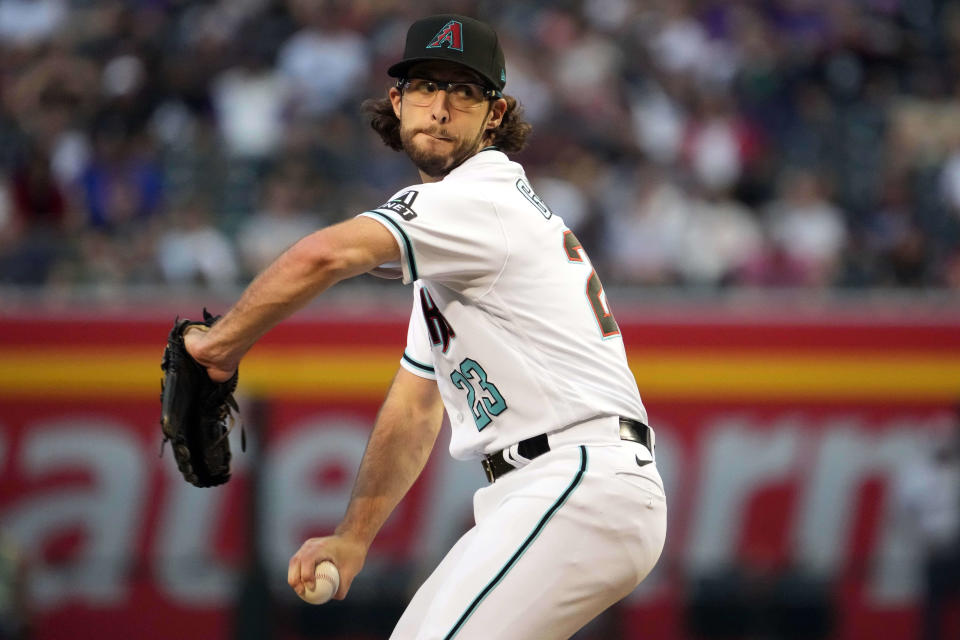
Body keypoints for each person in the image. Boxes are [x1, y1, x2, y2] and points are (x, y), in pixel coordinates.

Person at [184, 14, 666, 639]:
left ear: (495, 115)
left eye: (464, 92)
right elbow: (416, 406)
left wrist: (215, 347)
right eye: (425, 87)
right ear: (397, 100)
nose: (440, 107)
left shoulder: (475, 198)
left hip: (579, 481)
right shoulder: (449, 248)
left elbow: (323, 256)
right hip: (549, 493)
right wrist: (354, 536)